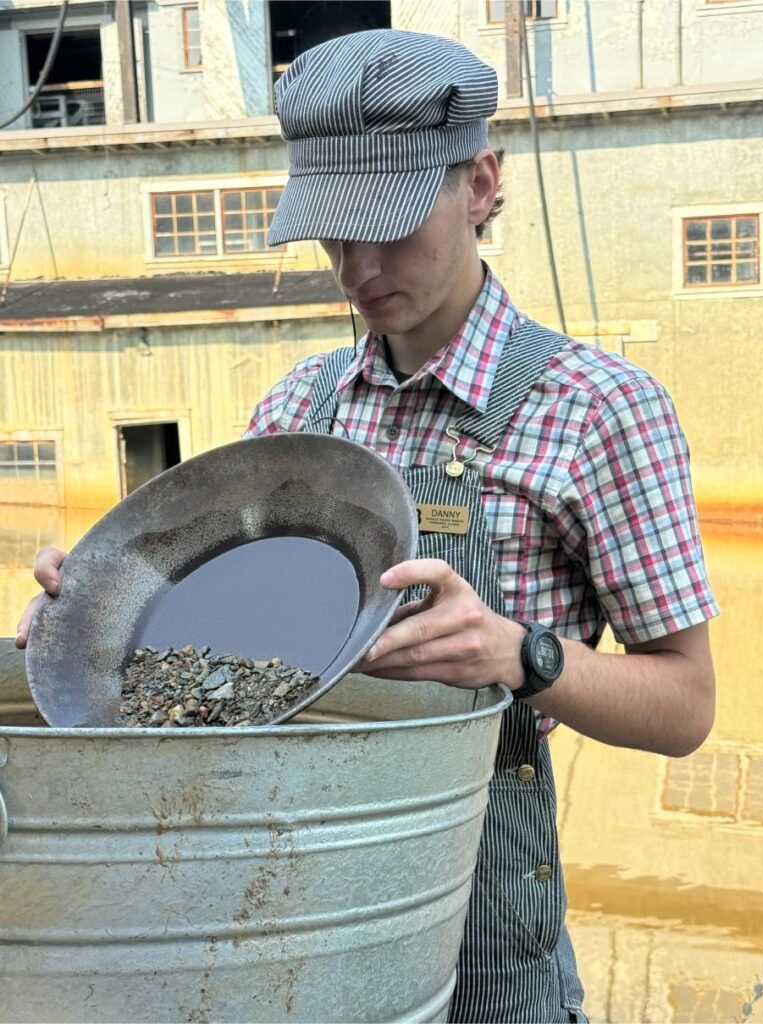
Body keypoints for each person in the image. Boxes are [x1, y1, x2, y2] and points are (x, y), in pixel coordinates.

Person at [17, 28, 718, 1024]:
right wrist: (95, 613)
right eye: (333, 231)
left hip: (487, 948)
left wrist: (520, 653)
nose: (357, 267)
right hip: (285, 936)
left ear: (480, 182)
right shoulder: (297, 412)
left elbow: (687, 705)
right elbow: (224, 667)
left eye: (388, 224)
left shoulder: (599, 408)